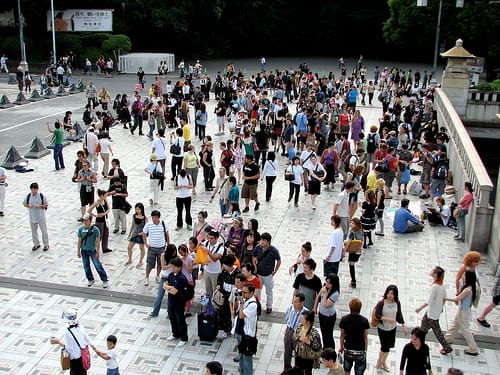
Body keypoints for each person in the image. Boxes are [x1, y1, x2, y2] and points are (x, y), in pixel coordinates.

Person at [415, 266, 453, 355]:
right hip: (434, 311)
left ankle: (446, 347)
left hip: (432, 313)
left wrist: (420, 308)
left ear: (435, 275)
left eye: (432, 270)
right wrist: (440, 308)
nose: (431, 271)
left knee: (437, 331)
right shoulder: (442, 286)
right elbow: (444, 299)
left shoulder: (435, 287)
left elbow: (429, 300)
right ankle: (419, 342)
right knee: (424, 328)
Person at [50, 309, 98, 375]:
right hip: (83, 356)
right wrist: (94, 347)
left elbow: (70, 348)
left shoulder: (68, 333)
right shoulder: (81, 327)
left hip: (75, 360)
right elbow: (87, 340)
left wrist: (58, 342)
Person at [445, 270, 479, 356]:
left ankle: (473, 348)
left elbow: (457, 299)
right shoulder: (471, 287)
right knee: (455, 325)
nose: (463, 276)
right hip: (464, 310)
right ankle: (447, 339)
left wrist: (445, 298)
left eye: (464, 275)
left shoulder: (467, 290)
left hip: (463, 312)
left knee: (465, 330)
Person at [374, 285, 409, 371]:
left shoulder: (397, 302)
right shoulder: (381, 303)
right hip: (383, 328)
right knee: (384, 347)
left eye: (392, 294)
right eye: (389, 293)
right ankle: (379, 363)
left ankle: (383, 362)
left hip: (392, 328)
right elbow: (377, 315)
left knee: (389, 347)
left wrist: (403, 326)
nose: (390, 295)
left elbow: (399, 314)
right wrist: (387, 319)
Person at [338, 298, 370, 375]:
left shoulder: (344, 319)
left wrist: (341, 347)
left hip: (348, 350)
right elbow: (365, 337)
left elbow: (342, 335)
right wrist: (365, 350)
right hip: (360, 350)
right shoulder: (364, 321)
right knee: (359, 371)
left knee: (347, 370)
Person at [77, 213, 109, 288]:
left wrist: (97, 251)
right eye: (84, 221)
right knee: (86, 266)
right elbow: (79, 240)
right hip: (84, 250)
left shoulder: (95, 229)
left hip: (92, 250)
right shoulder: (81, 229)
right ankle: (90, 279)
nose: (85, 222)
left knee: (97, 265)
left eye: (86, 220)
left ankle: (104, 279)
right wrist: (78, 250)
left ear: (90, 220)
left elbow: (98, 241)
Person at [252, 232, 281, 314]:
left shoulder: (273, 250)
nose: (261, 242)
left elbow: (278, 260)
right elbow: (253, 256)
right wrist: (254, 265)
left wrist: (275, 270)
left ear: (268, 241)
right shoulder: (258, 247)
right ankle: (258, 304)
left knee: (269, 291)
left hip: (268, 274)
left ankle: (269, 306)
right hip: (259, 273)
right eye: (261, 240)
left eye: (263, 240)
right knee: (258, 290)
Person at [142, 210, 171, 286]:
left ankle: (157, 275)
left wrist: (168, 245)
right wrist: (146, 243)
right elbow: (144, 233)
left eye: (155, 218)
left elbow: (167, 235)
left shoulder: (164, 224)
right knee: (149, 263)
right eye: (152, 218)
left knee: (160, 263)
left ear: (158, 217)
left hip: (161, 247)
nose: (154, 219)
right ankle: (147, 277)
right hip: (152, 247)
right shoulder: (148, 225)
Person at [165, 257, 189, 347]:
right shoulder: (171, 275)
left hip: (179, 303)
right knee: (172, 318)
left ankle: (184, 338)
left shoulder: (181, 278)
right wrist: (169, 288)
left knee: (180, 320)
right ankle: (175, 333)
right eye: (172, 267)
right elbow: (165, 285)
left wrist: (169, 288)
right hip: (171, 301)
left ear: (179, 267)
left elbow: (174, 291)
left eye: (174, 267)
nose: (172, 268)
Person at [282, 293, 308, 374]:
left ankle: (298, 371)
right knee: (287, 352)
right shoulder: (290, 308)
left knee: (299, 354)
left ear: (302, 302)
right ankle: (286, 370)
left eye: (296, 302)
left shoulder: (306, 313)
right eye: (293, 301)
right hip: (289, 331)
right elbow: (287, 318)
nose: (294, 303)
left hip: (299, 334)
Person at [235, 283, 258, 375]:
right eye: (242, 292)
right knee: (241, 355)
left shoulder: (253, 304)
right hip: (240, 331)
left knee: (247, 357)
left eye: (245, 292)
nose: (243, 294)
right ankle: (242, 371)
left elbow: (241, 315)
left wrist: (241, 302)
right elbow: (237, 311)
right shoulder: (245, 300)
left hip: (247, 335)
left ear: (251, 293)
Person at [314, 273, 340, 350]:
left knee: (329, 334)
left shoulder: (335, 293)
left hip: (329, 316)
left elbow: (326, 304)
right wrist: (315, 307)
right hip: (321, 314)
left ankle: (331, 350)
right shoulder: (325, 287)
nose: (326, 283)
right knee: (323, 333)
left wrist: (325, 293)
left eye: (329, 282)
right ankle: (325, 349)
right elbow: (318, 296)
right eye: (326, 281)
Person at [216, 254, 240, 338]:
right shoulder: (224, 272)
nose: (224, 266)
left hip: (233, 297)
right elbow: (220, 279)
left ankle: (234, 328)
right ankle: (226, 329)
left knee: (233, 313)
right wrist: (219, 285)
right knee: (224, 313)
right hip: (224, 295)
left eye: (225, 265)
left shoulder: (237, 273)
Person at [293, 310, 322, 375]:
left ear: (308, 321)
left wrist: (309, 342)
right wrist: (299, 338)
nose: (300, 320)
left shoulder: (314, 333)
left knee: (308, 372)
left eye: (302, 319)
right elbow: (294, 336)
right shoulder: (300, 327)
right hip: (299, 355)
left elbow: (318, 347)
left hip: (308, 358)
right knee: (297, 371)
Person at [23, 182, 49, 251]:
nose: (33, 191)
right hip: (32, 216)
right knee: (33, 231)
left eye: (34, 190)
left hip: (41, 216)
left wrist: (40, 206)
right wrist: (28, 205)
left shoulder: (41, 196)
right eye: (32, 190)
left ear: (37, 189)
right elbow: (24, 203)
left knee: (44, 231)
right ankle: (36, 244)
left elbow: (46, 205)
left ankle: (46, 244)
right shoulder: (29, 195)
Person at [88, 189, 112, 254]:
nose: (106, 197)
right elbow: (89, 210)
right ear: (101, 195)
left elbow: (109, 209)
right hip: (99, 221)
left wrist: (104, 214)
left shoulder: (105, 201)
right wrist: (96, 215)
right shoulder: (97, 203)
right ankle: (94, 248)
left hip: (105, 219)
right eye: (105, 195)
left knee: (106, 234)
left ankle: (105, 247)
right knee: (99, 235)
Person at [204, 229, 225, 297]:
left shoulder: (220, 247)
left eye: (211, 238)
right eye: (209, 237)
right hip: (206, 269)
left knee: (215, 291)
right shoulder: (206, 243)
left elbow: (215, 259)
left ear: (216, 238)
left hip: (215, 272)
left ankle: (215, 306)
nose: (209, 240)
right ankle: (209, 305)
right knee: (208, 290)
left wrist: (208, 252)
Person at [344, 218, 364, 288]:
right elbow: (362, 240)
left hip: (353, 251)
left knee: (351, 265)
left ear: (356, 225)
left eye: (352, 223)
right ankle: (353, 280)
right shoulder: (360, 231)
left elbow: (348, 244)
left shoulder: (352, 233)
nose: (350, 224)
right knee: (352, 264)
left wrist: (344, 252)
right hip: (359, 251)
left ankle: (353, 281)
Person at [126, 202, 147, 267]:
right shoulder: (134, 216)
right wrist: (130, 233)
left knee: (141, 248)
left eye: (138, 209)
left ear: (142, 209)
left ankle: (141, 261)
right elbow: (132, 225)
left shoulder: (145, 218)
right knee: (129, 247)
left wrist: (142, 233)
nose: (137, 211)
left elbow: (146, 228)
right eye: (136, 209)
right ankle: (130, 259)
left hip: (141, 235)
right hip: (134, 234)